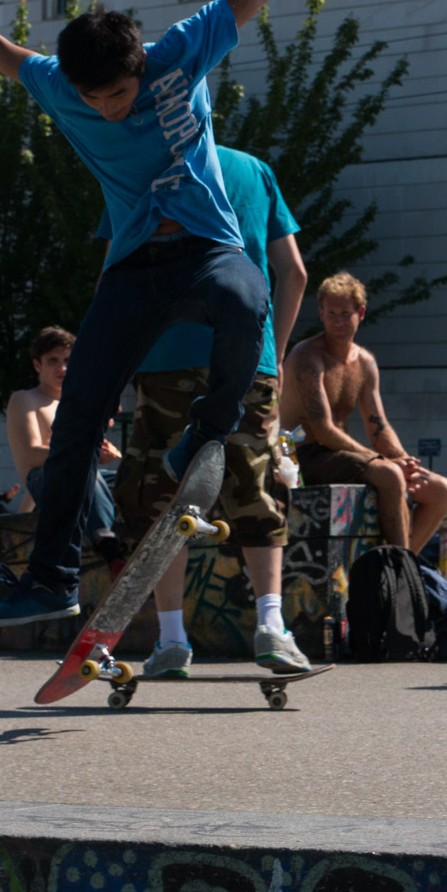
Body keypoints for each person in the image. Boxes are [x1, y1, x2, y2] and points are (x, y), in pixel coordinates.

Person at [0, 0, 370, 628]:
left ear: (139, 67)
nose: (108, 111)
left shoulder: (181, 54)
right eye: (93, 100)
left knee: (249, 309)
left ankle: (204, 439)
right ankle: (51, 578)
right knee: (79, 410)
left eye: (117, 95)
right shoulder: (60, 86)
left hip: (210, 249)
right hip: (136, 266)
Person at [114, 147, 310, 677]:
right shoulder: (254, 171)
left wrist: (109, 366)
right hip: (249, 357)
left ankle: (172, 640)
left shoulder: (141, 164)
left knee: (162, 494)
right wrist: (274, 350)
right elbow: (293, 272)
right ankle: (272, 627)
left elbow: (117, 272)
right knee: (255, 488)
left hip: (164, 358)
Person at [281, 272, 447, 556]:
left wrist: (401, 458)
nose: (338, 321)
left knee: (442, 490)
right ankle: (398, 570)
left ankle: (399, 567)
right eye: (331, 313)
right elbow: (323, 429)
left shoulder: (364, 362)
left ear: (360, 313)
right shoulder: (307, 357)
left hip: (343, 457)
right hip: (301, 457)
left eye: (345, 313)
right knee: (388, 474)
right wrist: (380, 461)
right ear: (321, 313)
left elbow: (379, 425)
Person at [4, 327, 124, 570]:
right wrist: (85, 452)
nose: (62, 368)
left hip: (84, 480)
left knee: (130, 479)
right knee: (79, 471)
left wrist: (101, 452)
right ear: (37, 365)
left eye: (68, 360)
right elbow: (32, 454)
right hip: (46, 480)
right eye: (53, 361)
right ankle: (108, 545)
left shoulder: (78, 404)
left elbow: (91, 449)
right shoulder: (25, 399)